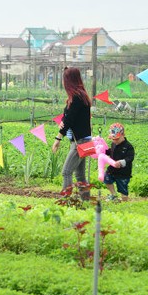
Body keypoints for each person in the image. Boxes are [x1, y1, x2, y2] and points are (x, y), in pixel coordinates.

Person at [51, 67, 92, 200]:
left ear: (69, 81)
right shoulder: (81, 95)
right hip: (82, 140)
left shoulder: (77, 97)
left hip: (79, 142)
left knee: (66, 172)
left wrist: (58, 138)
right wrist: (63, 120)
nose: (63, 82)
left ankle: (66, 200)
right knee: (80, 175)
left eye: (64, 79)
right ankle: (85, 200)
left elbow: (69, 118)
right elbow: (66, 115)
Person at [103, 123, 135, 201]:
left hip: (123, 172)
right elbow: (111, 152)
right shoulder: (113, 144)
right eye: (113, 139)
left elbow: (130, 158)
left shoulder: (128, 146)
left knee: (122, 188)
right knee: (106, 178)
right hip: (112, 169)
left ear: (123, 135)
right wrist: (104, 151)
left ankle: (124, 200)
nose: (115, 141)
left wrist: (121, 162)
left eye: (117, 139)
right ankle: (113, 194)